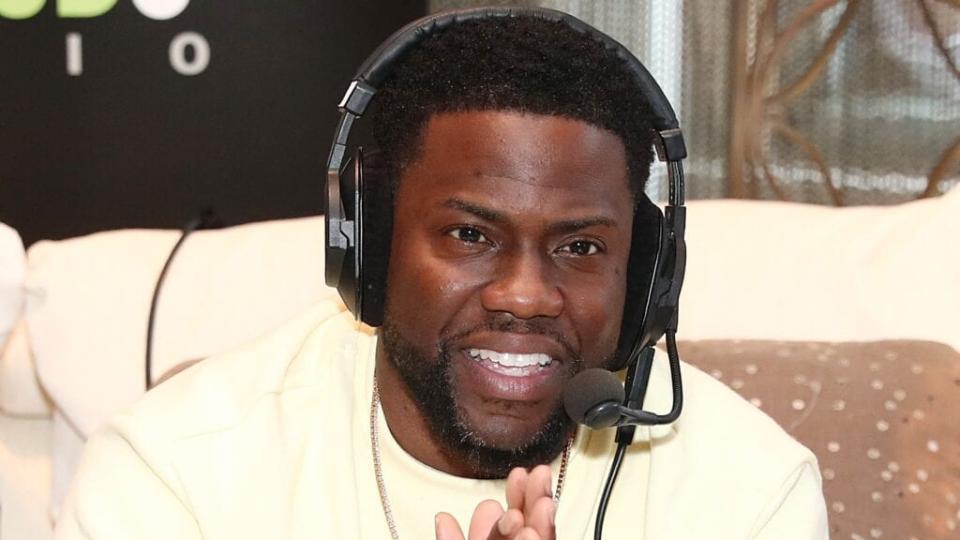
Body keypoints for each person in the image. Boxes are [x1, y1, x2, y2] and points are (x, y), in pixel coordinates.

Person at [56, 9, 828, 540]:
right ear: (371, 246)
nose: (526, 295)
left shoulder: (750, 490)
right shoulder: (175, 471)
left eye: (582, 247)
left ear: (649, 271)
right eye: (470, 234)